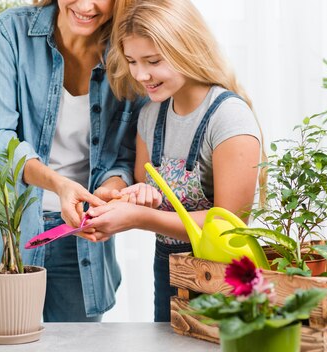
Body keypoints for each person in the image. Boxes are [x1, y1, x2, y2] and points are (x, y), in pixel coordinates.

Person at [85, 0, 266, 322]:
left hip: (221, 276)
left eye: (153, 61)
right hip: (168, 269)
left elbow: (230, 228)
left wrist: (139, 217)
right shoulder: (151, 114)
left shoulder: (228, 117)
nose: (141, 74)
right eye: (132, 61)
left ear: (187, 49)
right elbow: (144, 186)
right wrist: (134, 197)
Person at [0, 0, 145, 322]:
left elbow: (125, 155)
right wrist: (59, 184)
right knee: (6, 338)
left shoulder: (131, 49)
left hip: (78, 234)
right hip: (8, 228)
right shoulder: (13, 30)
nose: (86, 5)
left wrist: (110, 189)